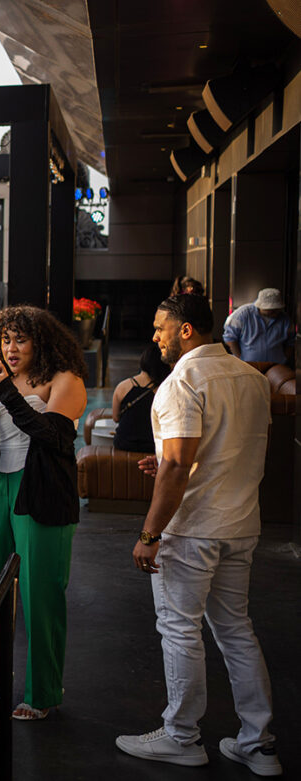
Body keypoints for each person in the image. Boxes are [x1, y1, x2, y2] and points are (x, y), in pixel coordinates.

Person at [116, 295, 281, 775]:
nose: (155, 336)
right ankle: (259, 742)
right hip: (241, 524)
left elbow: (176, 462)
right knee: (236, 631)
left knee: (179, 629)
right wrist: (172, 464)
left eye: (160, 327)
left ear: (185, 330)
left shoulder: (182, 380)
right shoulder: (252, 379)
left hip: (191, 531)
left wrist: (150, 533)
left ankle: (181, 736)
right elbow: (217, 450)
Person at [0, 305, 88, 720]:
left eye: (21, 339)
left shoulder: (65, 380)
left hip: (42, 491)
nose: (11, 347)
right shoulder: (4, 380)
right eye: (5, 339)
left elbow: (53, 435)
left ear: (42, 342)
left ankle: (42, 692)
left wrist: (3, 393)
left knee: (41, 593)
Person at [111, 343, 171, 453]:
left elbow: (115, 418)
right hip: (151, 445)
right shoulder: (163, 390)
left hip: (123, 443)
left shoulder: (122, 386)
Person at [222, 287, 293, 364]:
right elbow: (230, 339)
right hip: (249, 366)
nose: (274, 312)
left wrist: (284, 359)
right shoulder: (242, 315)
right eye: (269, 310)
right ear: (260, 306)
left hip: (275, 366)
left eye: (276, 309)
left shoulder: (285, 319)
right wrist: (240, 360)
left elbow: (291, 342)